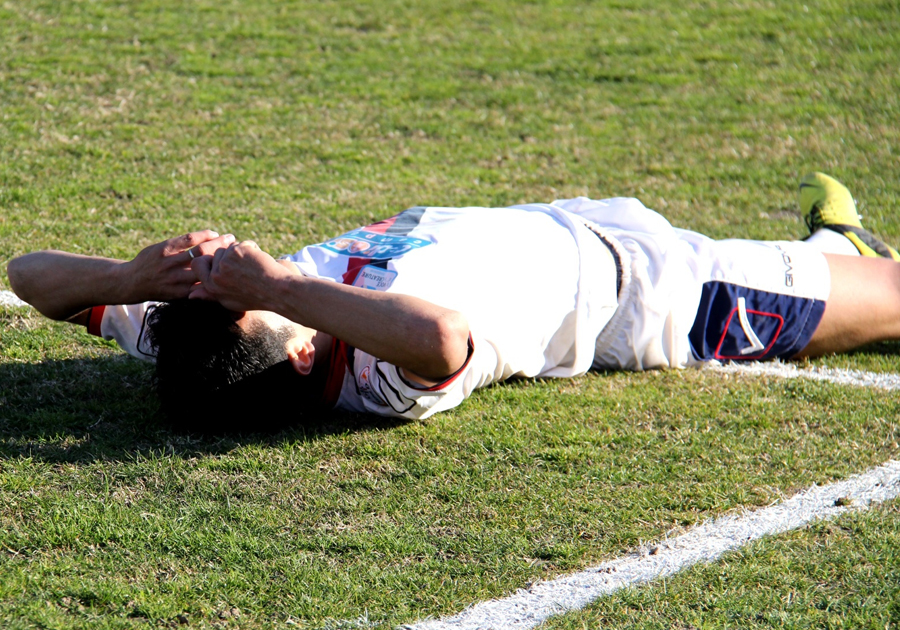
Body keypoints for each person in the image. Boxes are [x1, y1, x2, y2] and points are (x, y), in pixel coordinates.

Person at [7, 172, 900, 429]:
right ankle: (848, 254)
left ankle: (832, 246)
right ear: (303, 350)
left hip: (561, 218)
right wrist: (277, 284)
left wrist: (129, 282)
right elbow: (442, 337)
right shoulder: (369, 376)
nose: (226, 269)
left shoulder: (198, 343)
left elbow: (26, 273)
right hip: (661, 294)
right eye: (236, 289)